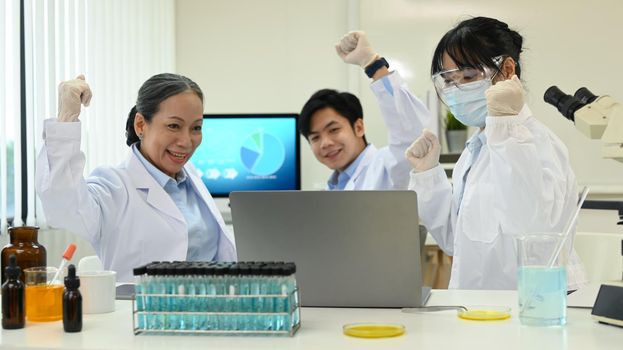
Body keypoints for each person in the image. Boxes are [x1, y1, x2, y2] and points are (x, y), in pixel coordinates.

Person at [405, 17, 587, 289]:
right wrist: (428, 176)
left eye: (467, 77)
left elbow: (535, 239)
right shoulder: (476, 150)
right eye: (450, 82)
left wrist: (505, 126)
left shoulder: (540, 143)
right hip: (480, 308)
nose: (458, 91)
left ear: (507, 70)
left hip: (534, 305)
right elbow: (456, 240)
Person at [36, 73, 236, 282]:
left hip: (212, 306)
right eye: (174, 126)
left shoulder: (190, 179)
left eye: (196, 128)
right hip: (142, 310)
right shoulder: (113, 185)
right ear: (140, 125)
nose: (186, 141)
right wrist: (66, 119)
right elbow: (62, 204)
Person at [298, 32, 432, 190]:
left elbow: (411, 135)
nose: (325, 143)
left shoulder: (387, 167)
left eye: (333, 129)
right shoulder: (332, 187)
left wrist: (372, 64)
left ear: (359, 127)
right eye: (315, 138)